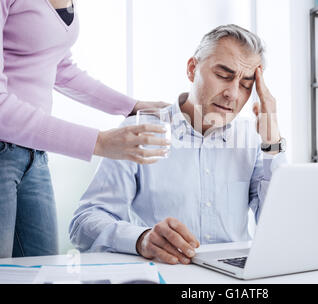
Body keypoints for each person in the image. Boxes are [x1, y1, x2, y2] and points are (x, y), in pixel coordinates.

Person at [69, 24, 287, 265]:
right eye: (223, 75)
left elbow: (280, 226)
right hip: (164, 274)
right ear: (192, 69)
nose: (233, 94)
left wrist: (273, 142)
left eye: (246, 84)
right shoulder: (139, 131)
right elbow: (84, 222)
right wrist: (141, 240)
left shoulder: (254, 141)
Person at [0, 0, 170, 258]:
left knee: (41, 270)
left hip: (32, 154)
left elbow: (59, 65)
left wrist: (130, 106)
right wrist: (98, 142)